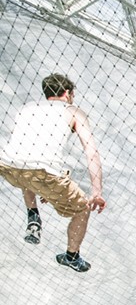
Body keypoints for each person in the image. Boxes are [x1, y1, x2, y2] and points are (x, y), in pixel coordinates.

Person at [0, 73, 105, 272]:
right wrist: (97, 192)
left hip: (7, 165)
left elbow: (27, 148)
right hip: (43, 173)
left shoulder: (27, 108)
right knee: (83, 209)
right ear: (67, 93)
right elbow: (91, 151)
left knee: (27, 171)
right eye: (72, 95)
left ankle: (33, 216)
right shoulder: (74, 111)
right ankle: (71, 256)